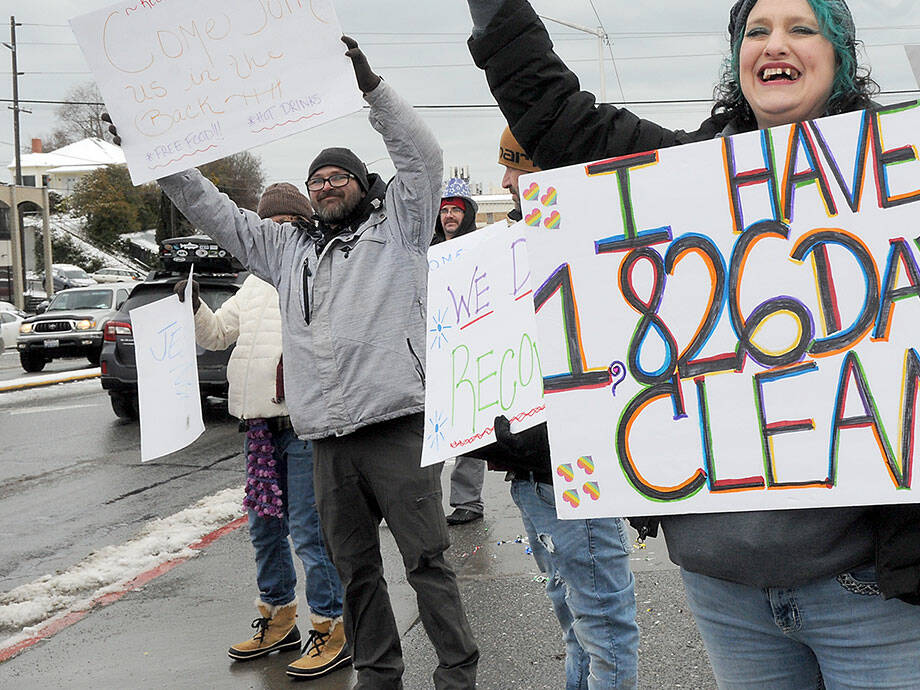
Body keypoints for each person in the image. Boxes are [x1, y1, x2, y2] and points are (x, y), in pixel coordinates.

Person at [458, 0, 920, 689]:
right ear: (738, 58)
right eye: (756, 30)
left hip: (882, 591)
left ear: (839, 55)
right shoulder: (678, 182)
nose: (776, 43)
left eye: (801, 27)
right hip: (728, 593)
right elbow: (553, 112)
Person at [115, 37, 480, 689]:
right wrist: (153, 150)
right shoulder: (287, 253)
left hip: (398, 427)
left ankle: (456, 674)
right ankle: (379, 674)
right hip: (326, 444)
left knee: (426, 559)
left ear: (362, 185)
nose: (326, 183)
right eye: (317, 179)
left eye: (338, 175)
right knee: (354, 570)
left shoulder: (399, 228)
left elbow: (420, 157)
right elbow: (212, 209)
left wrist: (373, 90)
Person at [463, 130, 640, 689]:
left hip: (576, 469)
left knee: (603, 627)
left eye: (518, 167)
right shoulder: (507, 253)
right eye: (505, 168)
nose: (507, 182)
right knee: (575, 620)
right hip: (535, 476)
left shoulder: (595, 244)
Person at [180, 182, 350, 679]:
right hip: (257, 428)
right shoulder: (252, 285)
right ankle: (278, 617)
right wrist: (192, 305)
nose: (275, 232)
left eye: (285, 223)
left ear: (303, 225)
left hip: (301, 424)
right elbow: (216, 335)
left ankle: (330, 625)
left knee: (307, 529)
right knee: (264, 528)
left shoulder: (315, 271)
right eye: (267, 224)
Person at [431, 177, 487, 526]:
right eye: (445, 210)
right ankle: (419, 501)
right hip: (436, 347)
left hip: (473, 346)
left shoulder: (481, 245)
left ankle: (468, 500)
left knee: (471, 423)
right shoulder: (429, 249)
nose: (449, 216)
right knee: (432, 430)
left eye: (455, 210)